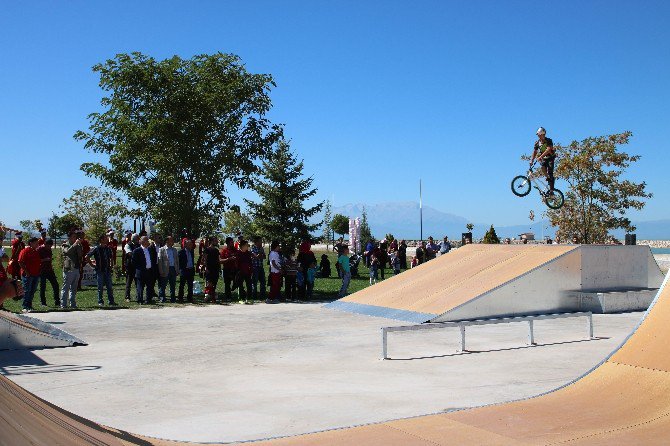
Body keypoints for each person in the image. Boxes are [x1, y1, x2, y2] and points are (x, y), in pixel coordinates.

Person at [87, 235, 116, 306]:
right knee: (100, 287)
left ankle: (111, 301)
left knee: (109, 286)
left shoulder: (108, 248)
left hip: (107, 270)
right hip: (99, 270)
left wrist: (111, 265)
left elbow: (111, 257)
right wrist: (91, 264)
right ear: (101, 240)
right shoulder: (96, 248)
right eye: (105, 238)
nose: (107, 239)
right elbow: (87, 256)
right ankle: (100, 301)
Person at [530, 126, 556, 194]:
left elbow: (548, 150)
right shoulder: (537, 143)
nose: (538, 136)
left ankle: (552, 190)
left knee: (550, 172)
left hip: (550, 158)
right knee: (542, 167)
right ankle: (548, 178)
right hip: (544, 158)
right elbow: (535, 152)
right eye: (538, 135)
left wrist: (540, 156)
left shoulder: (549, 140)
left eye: (539, 134)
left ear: (542, 134)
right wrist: (531, 160)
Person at [18, 237, 41, 312]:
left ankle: (29, 305)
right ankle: (25, 306)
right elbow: (20, 262)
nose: (37, 244)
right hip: (27, 275)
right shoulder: (25, 251)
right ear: (31, 243)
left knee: (32, 290)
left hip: (36, 274)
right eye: (36, 243)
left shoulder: (36, 251)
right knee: (26, 290)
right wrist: (26, 272)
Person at [61, 231, 83, 309]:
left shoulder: (78, 245)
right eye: (73, 237)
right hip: (69, 268)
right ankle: (63, 304)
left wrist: (79, 246)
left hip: (76, 268)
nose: (75, 238)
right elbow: (67, 252)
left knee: (74, 288)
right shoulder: (65, 244)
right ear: (69, 237)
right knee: (66, 287)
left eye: (75, 237)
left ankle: (72, 303)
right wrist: (75, 245)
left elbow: (80, 255)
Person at [132, 236, 157, 304]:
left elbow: (153, 260)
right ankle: (140, 300)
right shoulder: (137, 251)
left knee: (149, 286)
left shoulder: (150, 249)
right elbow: (134, 262)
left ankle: (148, 299)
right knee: (140, 287)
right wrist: (139, 269)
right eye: (147, 240)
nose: (148, 242)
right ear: (142, 242)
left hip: (149, 271)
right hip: (141, 272)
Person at [37, 239, 59, 307]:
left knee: (56, 285)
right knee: (43, 287)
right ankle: (43, 303)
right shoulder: (39, 249)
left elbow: (50, 258)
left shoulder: (49, 249)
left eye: (51, 246)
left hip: (49, 270)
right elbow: (36, 260)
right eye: (49, 246)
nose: (50, 248)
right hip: (42, 270)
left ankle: (57, 301)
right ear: (45, 244)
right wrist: (44, 260)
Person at [158, 235, 179, 303]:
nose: (173, 241)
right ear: (167, 241)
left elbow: (177, 261)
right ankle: (162, 298)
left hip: (173, 269)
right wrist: (161, 270)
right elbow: (160, 261)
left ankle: (173, 298)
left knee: (173, 285)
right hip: (165, 269)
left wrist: (177, 270)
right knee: (163, 285)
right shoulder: (162, 249)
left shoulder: (174, 250)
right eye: (171, 240)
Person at [203, 237, 222, 303]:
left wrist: (219, 268)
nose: (216, 242)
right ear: (211, 241)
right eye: (215, 241)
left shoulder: (216, 250)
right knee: (209, 283)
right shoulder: (207, 249)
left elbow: (218, 260)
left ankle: (212, 296)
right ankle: (208, 296)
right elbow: (205, 259)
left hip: (216, 269)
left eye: (216, 240)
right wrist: (206, 268)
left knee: (214, 283)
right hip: (209, 268)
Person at [220, 237, 239, 302]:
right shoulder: (224, 251)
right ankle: (228, 297)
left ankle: (235, 286)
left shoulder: (235, 250)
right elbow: (220, 260)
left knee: (237, 281)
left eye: (233, 242)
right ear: (228, 243)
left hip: (235, 269)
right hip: (227, 269)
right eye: (231, 242)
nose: (233, 243)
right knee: (227, 284)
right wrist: (228, 259)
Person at [123, 233, 139, 302]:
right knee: (129, 282)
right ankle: (127, 297)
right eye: (137, 238)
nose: (138, 240)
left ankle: (138, 296)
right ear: (134, 239)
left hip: (137, 266)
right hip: (129, 266)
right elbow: (129, 253)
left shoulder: (138, 245)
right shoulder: (128, 245)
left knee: (137, 282)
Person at [250, 237, 267, 302]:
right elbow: (256, 257)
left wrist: (260, 255)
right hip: (255, 267)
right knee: (254, 282)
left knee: (263, 282)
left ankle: (262, 296)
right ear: (256, 242)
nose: (261, 243)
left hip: (261, 267)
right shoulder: (253, 248)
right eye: (260, 241)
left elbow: (264, 257)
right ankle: (254, 296)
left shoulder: (261, 248)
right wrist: (260, 253)